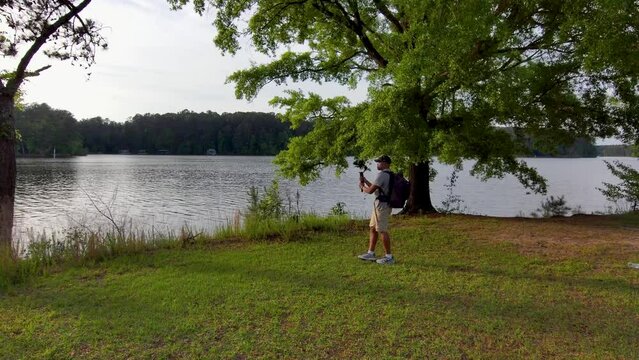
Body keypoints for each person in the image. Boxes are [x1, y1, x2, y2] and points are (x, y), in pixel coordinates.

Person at [358, 155, 395, 264]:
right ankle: (371, 253)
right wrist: (365, 181)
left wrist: (361, 186)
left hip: (382, 206)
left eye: (379, 162)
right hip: (381, 204)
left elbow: (369, 191)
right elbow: (376, 188)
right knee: (373, 228)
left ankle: (389, 257)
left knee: (382, 230)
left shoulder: (382, 175)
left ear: (385, 163)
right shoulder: (389, 174)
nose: (377, 164)